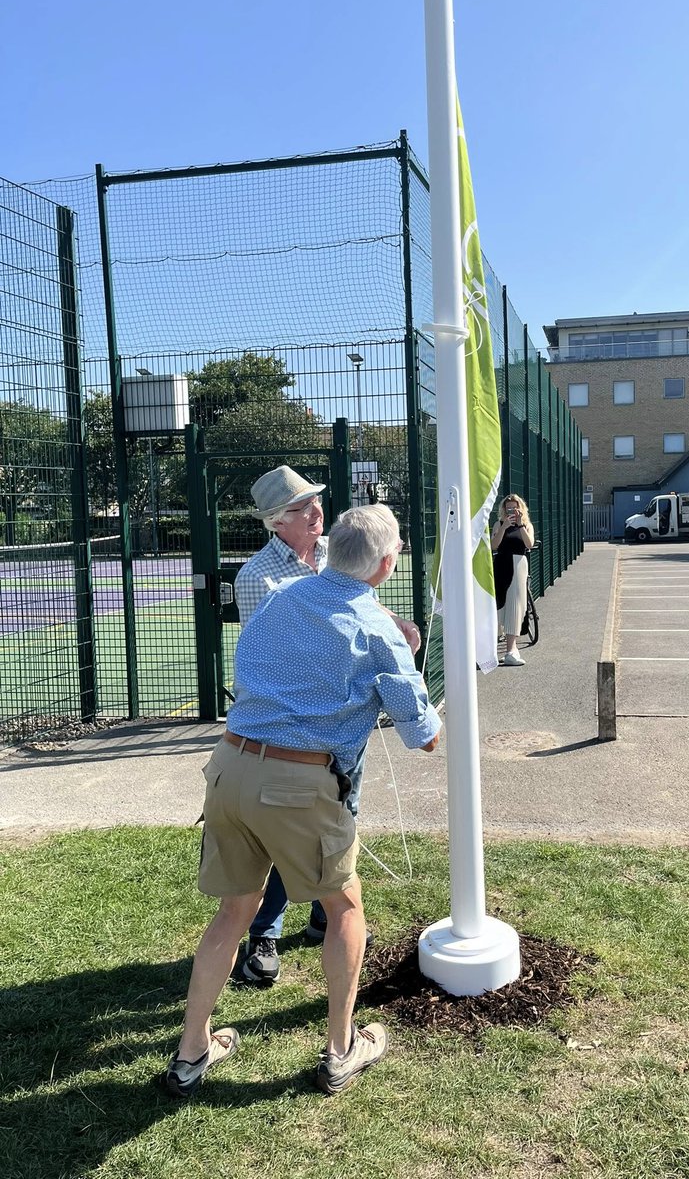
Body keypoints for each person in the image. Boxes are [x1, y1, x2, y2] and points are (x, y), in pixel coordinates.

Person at [165, 504, 441, 1098]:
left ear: (332, 550)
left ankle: (193, 1049)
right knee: (344, 909)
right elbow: (425, 735)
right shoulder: (377, 629)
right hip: (298, 785)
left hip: (229, 767)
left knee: (232, 914)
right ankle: (341, 1049)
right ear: (387, 564)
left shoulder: (281, 596)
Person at [233, 465, 421, 984]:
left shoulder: (329, 558)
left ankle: (324, 914)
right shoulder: (258, 578)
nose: (317, 512)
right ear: (276, 522)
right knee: (280, 836)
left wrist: (394, 628)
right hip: (292, 735)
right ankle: (265, 934)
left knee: (345, 813)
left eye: (317, 501)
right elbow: (273, 658)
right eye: (302, 507)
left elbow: (361, 608)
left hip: (344, 727)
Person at [490, 493, 535, 666]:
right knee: (498, 605)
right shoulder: (498, 524)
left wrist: (521, 525)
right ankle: (492, 649)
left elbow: (529, 544)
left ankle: (511, 650)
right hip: (501, 564)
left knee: (516, 605)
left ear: (520, 508)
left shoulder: (527, 525)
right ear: (504, 509)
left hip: (518, 565)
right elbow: (494, 545)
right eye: (508, 508)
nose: (512, 510)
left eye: (515, 507)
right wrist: (504, 527)